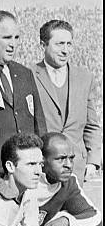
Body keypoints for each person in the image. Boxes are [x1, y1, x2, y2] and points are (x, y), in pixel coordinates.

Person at [31, 20, 102, 185]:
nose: (65, 50)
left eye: (69, 44)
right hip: (42, 168)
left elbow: (92, 125)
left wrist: (92, 161)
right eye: (59, 44)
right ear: (43, 45)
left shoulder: (85, 77)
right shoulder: (29, 75)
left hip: (76, 167)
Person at [0, 11, 47, 172]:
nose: (13, 44)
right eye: (7, 38)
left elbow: (38, 120)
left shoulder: (24, 73)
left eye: (16, 38)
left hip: (25, 168)